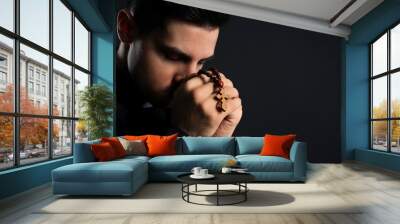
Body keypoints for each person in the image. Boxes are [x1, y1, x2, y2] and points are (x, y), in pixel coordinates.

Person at [116, 0, 242, 137]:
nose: (191, 78)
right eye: (174, 57)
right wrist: (187, 136)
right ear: (127, 29)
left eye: (201, 62)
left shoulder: (192, 110)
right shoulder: (95, 100)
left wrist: (217, 140)